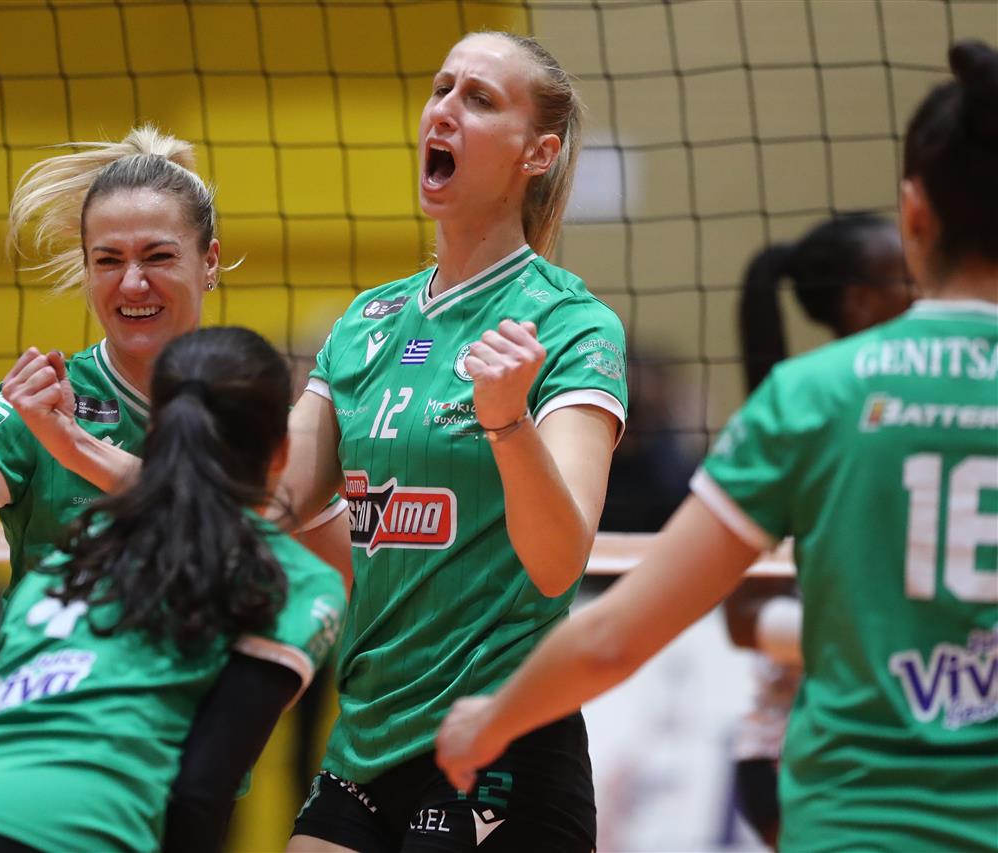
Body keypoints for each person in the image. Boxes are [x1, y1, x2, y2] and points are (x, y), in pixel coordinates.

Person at [437, 40, 998, 853]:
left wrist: (491, 719)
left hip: (856, 828)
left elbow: (616, 635)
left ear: (914, 213)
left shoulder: (815, 397)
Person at [276, 31, 628, 852]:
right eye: (442, 89)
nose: (444, 110)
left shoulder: (571, 325)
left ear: (537, 154)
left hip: (501, 738)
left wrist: (506, 419)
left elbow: (558, 561)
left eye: (479, 99)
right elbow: (279, 498)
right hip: (365, 738)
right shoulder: (365, 322)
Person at [0, 124, 348, 598]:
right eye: (108, 261)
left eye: (158, 256)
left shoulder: (257, 420)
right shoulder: (37, 405)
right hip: (55, 684)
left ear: (209, 261)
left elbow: (348, 579)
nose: (132, 283)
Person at [0, 326, 347, 852]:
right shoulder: (291, 577)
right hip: (61, 823)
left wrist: (71, 445)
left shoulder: (81, 546)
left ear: (154, 437)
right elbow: (198, 794)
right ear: (281, 452)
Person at [727, 211, 914, 847]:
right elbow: (740, 616)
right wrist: (877, 635)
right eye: (906, 278)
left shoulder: (928, 415)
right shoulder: (806, 413)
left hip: (903, 734)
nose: (923, 294)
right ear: (861, 302)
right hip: (792, 746)